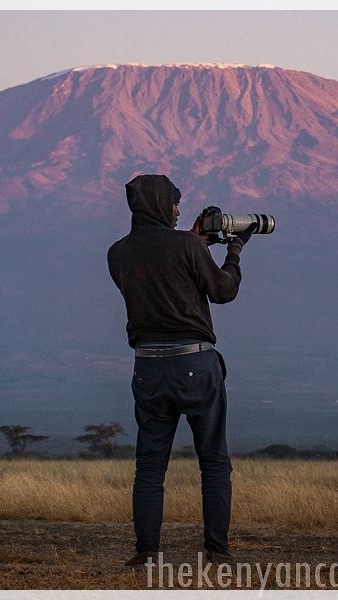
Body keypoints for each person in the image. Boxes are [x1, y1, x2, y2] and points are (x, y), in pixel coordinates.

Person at [107, 174, 254, 567]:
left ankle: (146, 553)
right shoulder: (187, 245)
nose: (177, 211)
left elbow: (158, 272)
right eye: (173, 203)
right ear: (159, 204)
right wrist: (234, 253)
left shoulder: (117, 253)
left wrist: (192, 244)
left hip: (148, 368)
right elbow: (223, 291)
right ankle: (217, 553)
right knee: (214, 462)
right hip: (195, 364)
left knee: (151, 466)